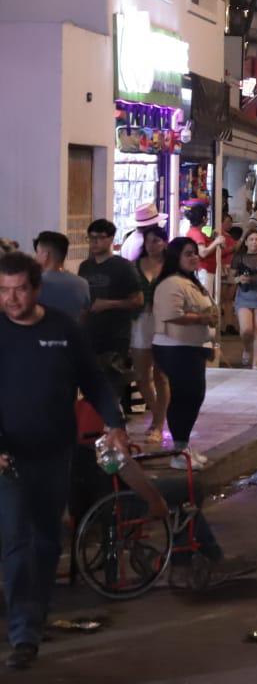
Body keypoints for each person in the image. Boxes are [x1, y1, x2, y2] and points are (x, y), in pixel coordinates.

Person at [0, 252, 129, 671]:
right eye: (3, 290)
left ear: (36, 288)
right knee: (16, 540)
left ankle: (33, 617)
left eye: (19, 289)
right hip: (8, 458)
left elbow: (92, 379)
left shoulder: (63, 329)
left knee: (45, 540)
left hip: (54, 452)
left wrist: (114, 421)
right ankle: (22, 632)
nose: (12, 298)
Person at [151, 237, 218, 471]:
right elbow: (172, 313)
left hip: (191, 347)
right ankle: (178, 451)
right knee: (184, 397)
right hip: (175, 347)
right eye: (188, 254)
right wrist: (203, 318)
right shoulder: (171, 283)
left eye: (195, 253)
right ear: (176, 257)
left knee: (192, 396)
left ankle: (183, 446)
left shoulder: (189, 281)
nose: (193, 258)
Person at [78, 219, 144, 406]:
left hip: (115, 336)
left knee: (111, 384)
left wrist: (109, 304)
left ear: (111, 239)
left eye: (99, 237)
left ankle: (113, 427)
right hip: (90, 333)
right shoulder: (85, 266)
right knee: (90, 384)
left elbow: (138, 300)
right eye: (91, 238)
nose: (95, 242)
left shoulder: (123, 267)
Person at [129, 226, 170, 439]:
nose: (151, 245)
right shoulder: (134, 265)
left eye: (156, 241)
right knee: (141, 375)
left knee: (161, 375)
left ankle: (158, 423)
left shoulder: (171, 267)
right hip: (140, 321)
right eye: (148, 241)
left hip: (164, 322)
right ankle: (157, 415)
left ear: (164, 242)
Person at [232, 229, 257, 370]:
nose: (254, 242)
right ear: (246, 242)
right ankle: (246, 347)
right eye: (251, 239)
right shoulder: (239, 257)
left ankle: (255, 363)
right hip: (244, 295)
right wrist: (239, 279)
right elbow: (231, 277)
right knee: (246, 330)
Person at [30, 231, 89, 323]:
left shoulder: (35, 282)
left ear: (45, 255)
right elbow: (83, 315)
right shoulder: (82, 283)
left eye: (37, 252)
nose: (35, 256)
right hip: (71, 335)